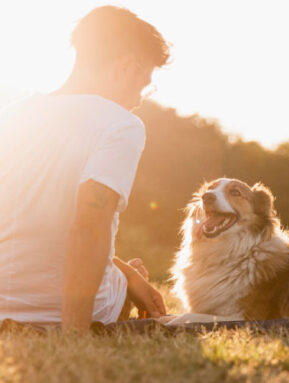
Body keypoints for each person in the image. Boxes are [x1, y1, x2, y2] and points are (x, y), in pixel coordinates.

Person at [0, 6, 169, 331]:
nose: (139, 99)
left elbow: (32, 226)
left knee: (127, 271)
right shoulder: (121, 125)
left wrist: (126, 273)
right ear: (126, 66)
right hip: (62, 315)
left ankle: (124, 275)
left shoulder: (11, 116)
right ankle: (122, 282)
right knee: (120, 273)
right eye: (143, 83)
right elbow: (88, 229)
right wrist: (75, 335)